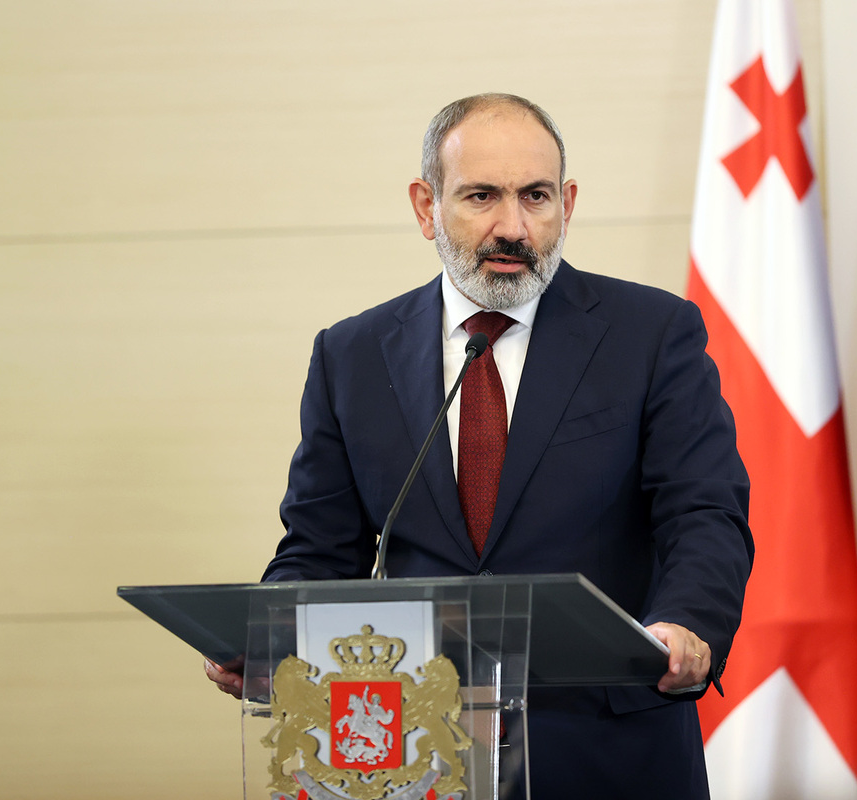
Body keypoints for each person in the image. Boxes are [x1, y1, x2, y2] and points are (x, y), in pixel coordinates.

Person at [206, 93, 752, 798]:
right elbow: (319, 549)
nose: (513, 227)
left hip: (610, 748)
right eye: (481, 196)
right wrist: (269, 636)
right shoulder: (353, 355)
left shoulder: (652, 334)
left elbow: (704, 512)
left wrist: (687, 623)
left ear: (567, 204)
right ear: (426, 207)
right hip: (417, 753)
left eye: (536, 196)